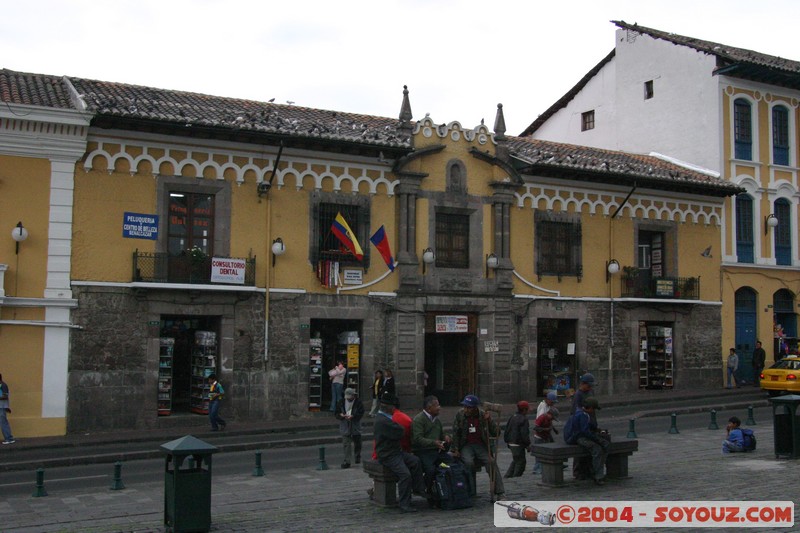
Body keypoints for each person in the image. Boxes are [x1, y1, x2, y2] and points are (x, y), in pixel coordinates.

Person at [373, 391, 425, 513]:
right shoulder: (383, 421)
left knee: (415, 461)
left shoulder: (385, 418)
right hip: (388, 455)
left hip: (396, 452)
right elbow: (400, 431)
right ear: (389, 407)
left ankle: (418, 489)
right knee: (405, 475)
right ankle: (404, 503)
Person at [451, 394, 505, 500]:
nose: (466, 409)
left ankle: (500, 492)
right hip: (466, 445)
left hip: (481, 445)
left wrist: (489, 421)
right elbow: (455, 432)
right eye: (465, 406)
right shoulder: (460, 415)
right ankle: (471, 491)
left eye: (468, 407)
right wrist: (455, 449)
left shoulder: (483, 415)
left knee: (491, 462)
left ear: (475, 407)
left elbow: (496, 432)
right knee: (468, 462)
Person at [411, 395, 452, 503]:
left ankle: (447, 489)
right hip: (423, 452)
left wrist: (446, 438)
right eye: (437, 405)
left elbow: (441, 434)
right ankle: (426, 490)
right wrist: (433, 443)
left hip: (436, 451)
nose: (439, 407)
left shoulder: (436, 421)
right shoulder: (419, 420)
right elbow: (417, 439)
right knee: (430, 469)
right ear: (429, 408)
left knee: (451, 462)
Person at [563, 397, 608, 485]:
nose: (594, 411)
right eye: (594, 409)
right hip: (577, 438)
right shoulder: (583, 415)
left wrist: (596, 429)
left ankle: (594, 472)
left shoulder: (580, 412)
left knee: (599, 446)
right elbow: (585, 432)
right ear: (590, 408)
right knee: (597, 450)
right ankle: (598, 476)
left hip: (575, 436)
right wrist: (598, 439)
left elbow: (588, 426)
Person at [570, 373, 595, 479]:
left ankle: (588, 471)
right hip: (581, 425)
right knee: (580, 450)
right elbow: (575, 412)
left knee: (589, 450)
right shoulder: (578, 395)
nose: (590, 388)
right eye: (588, 385)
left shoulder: (590, 392)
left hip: (590, 422)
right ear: (583, 384)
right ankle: (578, 472)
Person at [336, 387, 364, 468]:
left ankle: (357, 456)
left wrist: (353, 416)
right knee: (346, 443)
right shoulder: (341, 402)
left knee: (357, 442)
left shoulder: (358, 402)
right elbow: (336, 412)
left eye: (350, 397)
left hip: (355, 424)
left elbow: (361, 413)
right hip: (345, 424)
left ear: (353, 396)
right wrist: (341, 416)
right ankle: (347, 460)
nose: (348, 399)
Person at [503, 400, 532, 478]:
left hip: (511, 442)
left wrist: (507, 441)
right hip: (518, 444)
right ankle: (515, 478)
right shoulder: (523, 419)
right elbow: (524, 434)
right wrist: (528, 444)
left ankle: (508, 476)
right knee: (521, 462)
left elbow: (507, 430)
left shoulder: (513, 417)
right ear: (524, 409)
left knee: (516, 460)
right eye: (527, 409)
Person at [531, 407, 559, 474]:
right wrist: (545, 429)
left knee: (547, 452)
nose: (552, 419)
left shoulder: (549, 419)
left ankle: (544, 466)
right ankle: (536, 468)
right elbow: (535, 428)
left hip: (546, 437)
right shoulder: (542, 417)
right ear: (549, 414)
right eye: (552, 417)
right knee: (539, 453)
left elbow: (551, 424)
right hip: (539, 438)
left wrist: (555, 430)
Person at [0, 374, 15, 445]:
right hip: (2, 406)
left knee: (3, 423)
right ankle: (9, 438)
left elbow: (5, 396)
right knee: (3, 422)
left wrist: (6, 407)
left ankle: (9, 438)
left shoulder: (3, 385)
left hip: (1, 407)